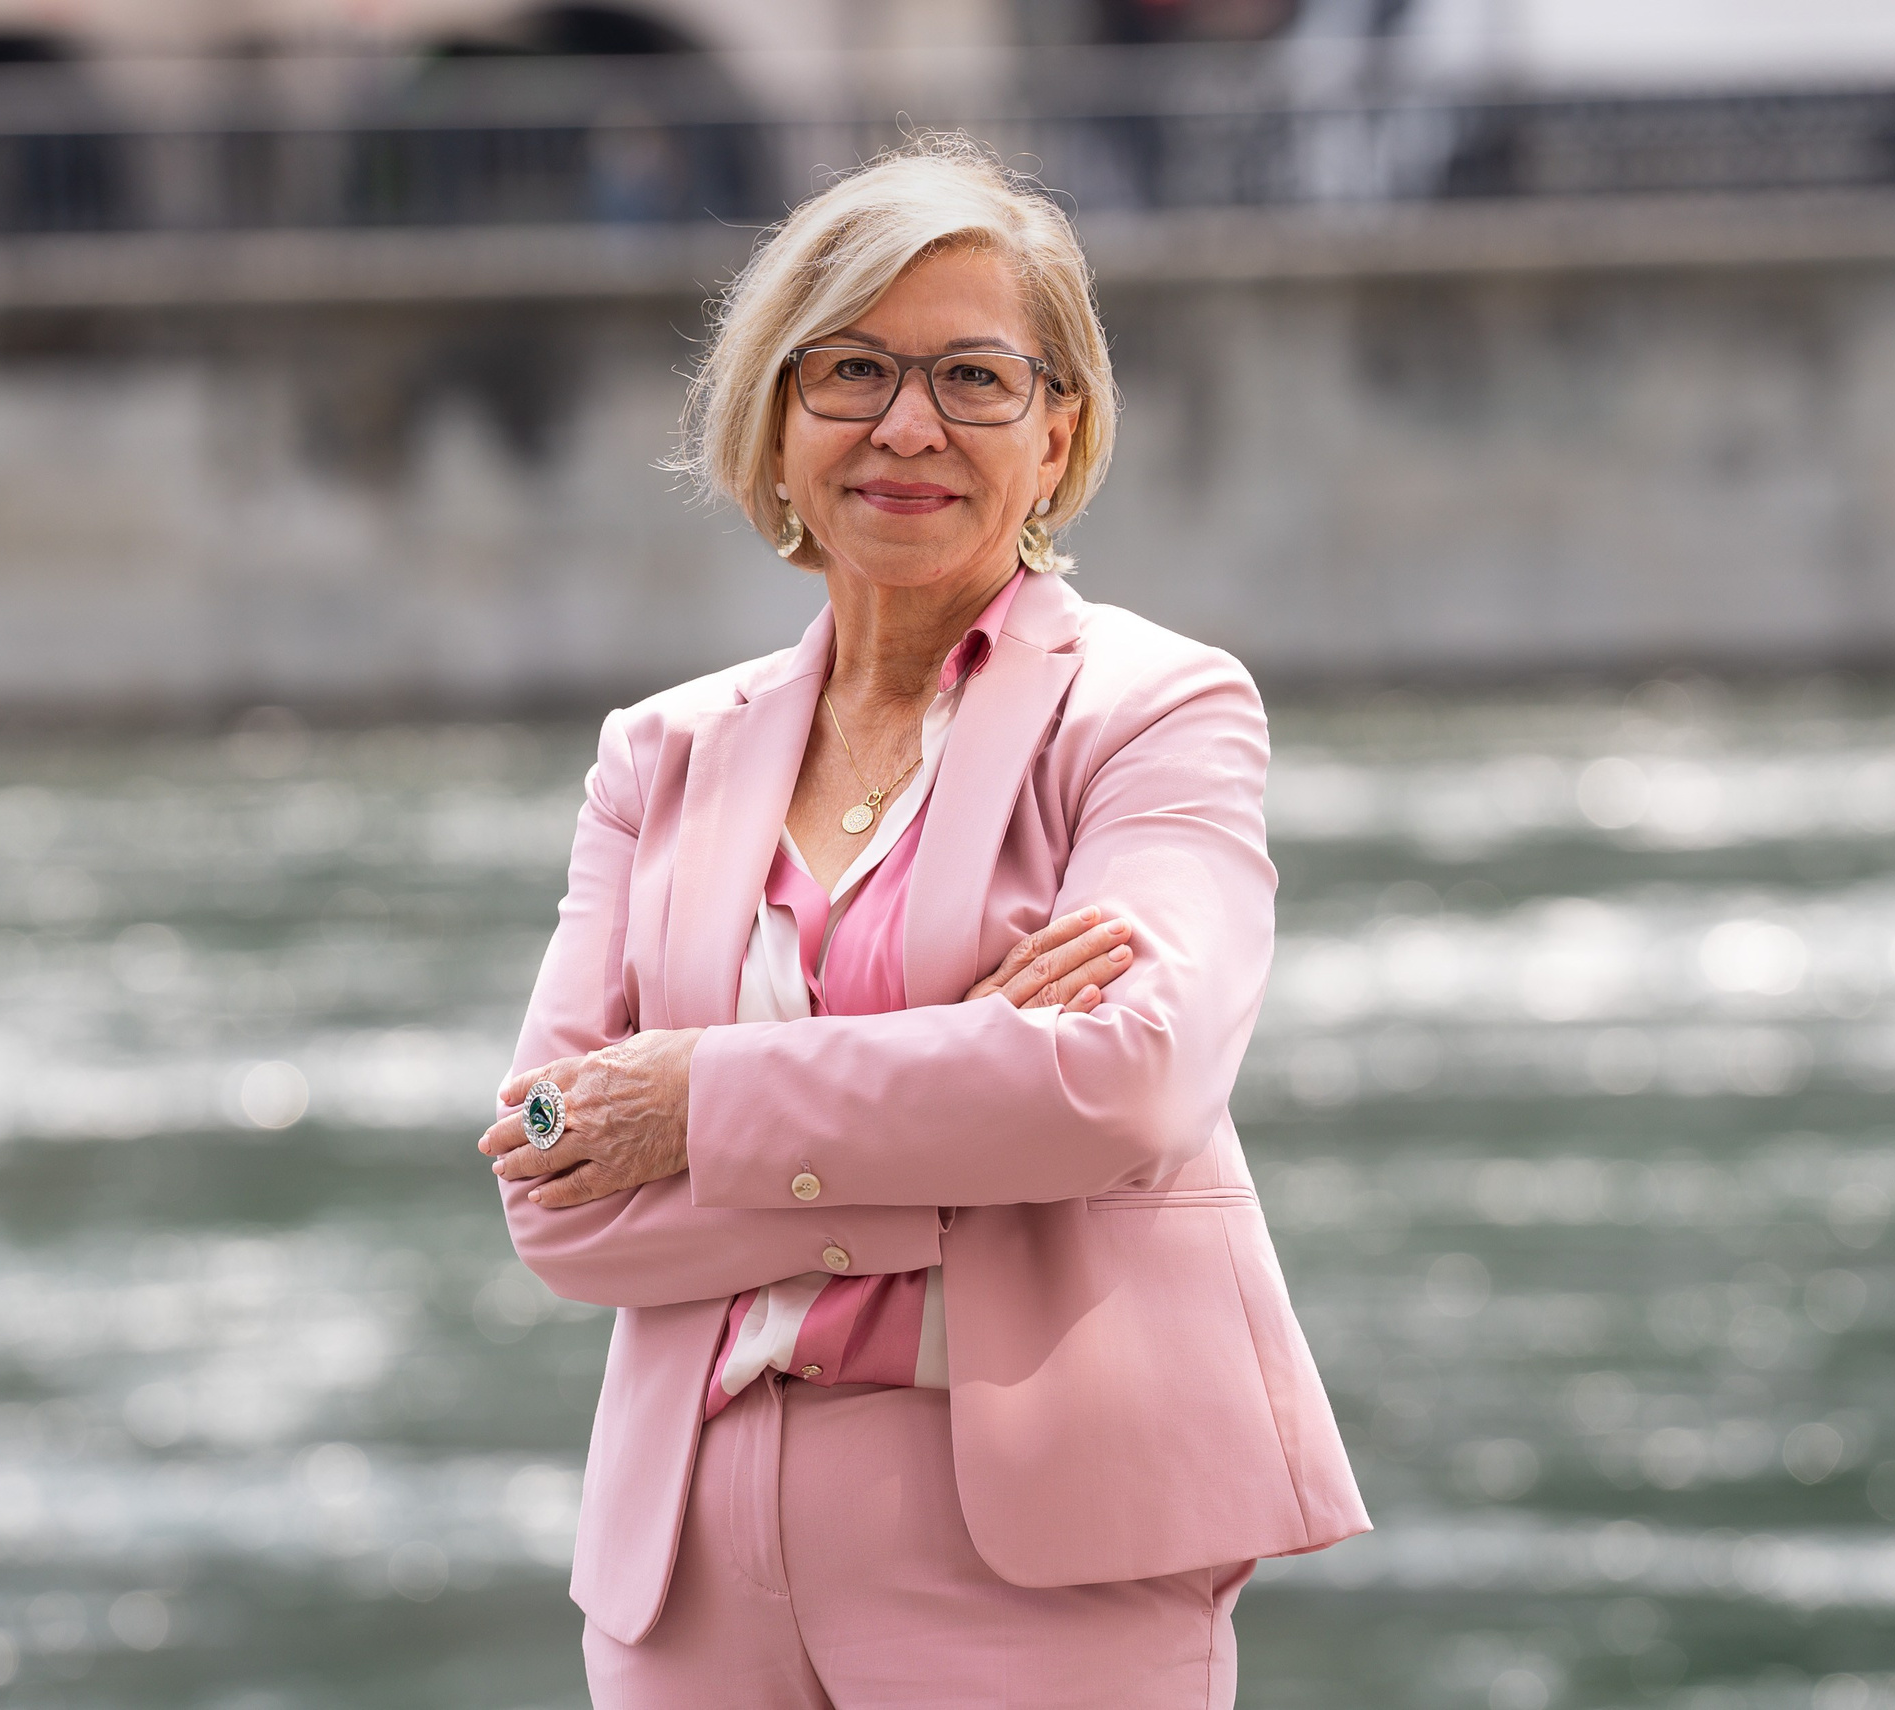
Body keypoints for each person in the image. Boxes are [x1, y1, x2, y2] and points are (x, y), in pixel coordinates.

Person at [478, 134, 1366, 1708]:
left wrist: (694, 1101)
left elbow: (1128, 1081)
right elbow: (552, 1176)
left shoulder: (1156, 709)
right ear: (776, 416)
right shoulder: (657, 753)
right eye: (853, 370)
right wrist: (968, 1106)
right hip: (685, 1567)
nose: (908, 424)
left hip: (1036, 1554)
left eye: (973, 376)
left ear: (1058, 430)